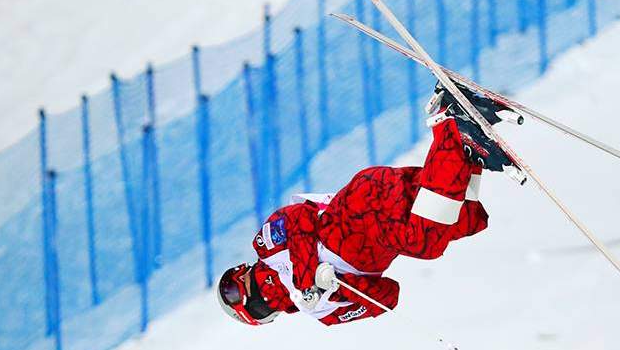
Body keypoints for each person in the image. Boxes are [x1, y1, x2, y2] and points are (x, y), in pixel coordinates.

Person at [216, 84, 521, 326]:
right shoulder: (322, 312)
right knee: (465, 220)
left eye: (230, 285)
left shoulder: (266, 249)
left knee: (426, 242)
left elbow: (299, 218)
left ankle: (449, 124)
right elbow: (388, 297)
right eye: (232, 293)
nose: (237, 286)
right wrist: (337, 286)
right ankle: (468, 148)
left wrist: (307, 279)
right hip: (384, 237)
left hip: (360, 208)